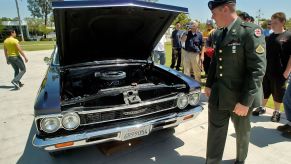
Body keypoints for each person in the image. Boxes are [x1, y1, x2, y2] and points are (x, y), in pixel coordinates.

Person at [205, 0, 266, 163]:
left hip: (240, 97)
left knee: (242, 133)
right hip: (219, 94)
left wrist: (246, 102)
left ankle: (240, 161)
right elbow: (215, 62)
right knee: (214, 133)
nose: (212, 17)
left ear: (225, 9)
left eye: (214, 12)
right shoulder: (218, 33)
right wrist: (209, 84)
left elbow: (257, 70)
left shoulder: (250, 32)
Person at [252, 12, 291, 122]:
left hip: (280, 72)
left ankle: (277, 112)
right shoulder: (269, 37)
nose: (272, 25)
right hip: (267, 70)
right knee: (265, 90)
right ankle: (262, 107)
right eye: (271, 22)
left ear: (283, 22)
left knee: (278, 93)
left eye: (275, 22)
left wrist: (286, 72)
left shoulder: (289, 36)